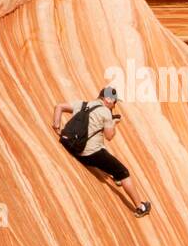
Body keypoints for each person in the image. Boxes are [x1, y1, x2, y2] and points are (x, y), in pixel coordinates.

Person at [53, 87, 151, 217]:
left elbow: (59, 106)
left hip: (72, 146)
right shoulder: (105, 112)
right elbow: (109, 136)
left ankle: (114, 175)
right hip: (88, 155)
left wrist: (57, 126)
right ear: (108, 99)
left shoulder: (84, 104)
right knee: (124, 172)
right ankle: (140, 207)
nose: (114, 105)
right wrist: (114, 123)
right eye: (114, 102)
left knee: (104, 153)